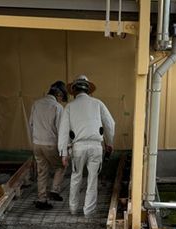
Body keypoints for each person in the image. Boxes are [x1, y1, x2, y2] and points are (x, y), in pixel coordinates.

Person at [58, 75, 115, 217]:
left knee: (76, 177)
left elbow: (63, 130)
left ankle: (73, 209)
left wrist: (63, 153)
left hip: (78, 147)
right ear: (88, 90)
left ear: (74, 91)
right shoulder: (98, 104)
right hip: (96, 147)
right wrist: (109, 142)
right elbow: (110, 124)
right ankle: (88, 211)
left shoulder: (69, 107)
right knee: (92, 179)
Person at [29, 81, 67, 210]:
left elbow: (31, 124)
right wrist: (64, 149)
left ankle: (42, 199)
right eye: (61, 97)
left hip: (37, 143)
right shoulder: (57, 107)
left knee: (42, 171)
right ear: (58, 94)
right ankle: (54, 191)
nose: (61, 100)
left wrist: (36, 138)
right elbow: (61, 130)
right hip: (51, 144)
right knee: (61, 166)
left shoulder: (36, 104)